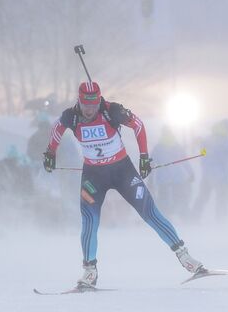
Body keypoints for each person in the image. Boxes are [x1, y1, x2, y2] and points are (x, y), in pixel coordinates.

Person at [42, 81, 205, 289]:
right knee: (89, 220)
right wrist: (50, 153)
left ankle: (187, 258)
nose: (89, 109)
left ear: (99, 100)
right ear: (79, 101)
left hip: (123, 172)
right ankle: (90, 271)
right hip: (93, 177)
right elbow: (56, 130)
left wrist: (144, 157)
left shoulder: (113, 111)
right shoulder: (71, 116)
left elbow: (138, 125)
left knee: (149, 212)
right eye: (85, 105)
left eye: (93, 104)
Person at [150, 126, 195, 219]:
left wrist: (150, 179)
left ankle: (163, 217)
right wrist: (191, 173)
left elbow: (152, 164)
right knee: (180, 198)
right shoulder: (177, 146)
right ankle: (185, 217)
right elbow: (185, 161)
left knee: (163, 199)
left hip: (163, 179)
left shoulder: (158, 147)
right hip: (177, 178)